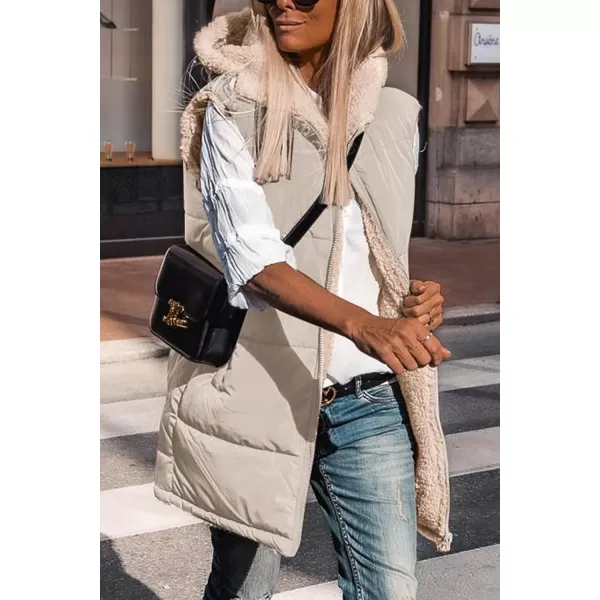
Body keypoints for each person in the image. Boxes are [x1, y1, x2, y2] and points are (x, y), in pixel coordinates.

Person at [154, 1, 454, 598]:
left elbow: (375, 252)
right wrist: (365, 325)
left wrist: (414, 301)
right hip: (255, 389)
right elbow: (253, 261)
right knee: (245, 589)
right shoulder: (229, 108)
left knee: (390, 591)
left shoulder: (395, 115)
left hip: (367, 399)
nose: (285, 1)